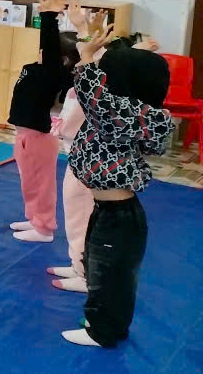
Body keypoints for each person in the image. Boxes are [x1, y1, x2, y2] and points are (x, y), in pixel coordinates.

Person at [60, 25, 172, 348]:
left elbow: (95, 96)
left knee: (110, 275)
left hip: (120, 215)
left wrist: (85, 59)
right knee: (100, 269)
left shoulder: (126, 114)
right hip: (107, 209)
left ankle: (103, 331)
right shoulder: (115, 112)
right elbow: (96, 97)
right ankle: (105, 322)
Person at [6, 0, 79, 243]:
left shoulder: (52, 73)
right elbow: (46, 47)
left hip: (38, 137)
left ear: (62, 60)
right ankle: (35, 219)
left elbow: (49, 46)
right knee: (29, 182)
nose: (41, 50)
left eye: (47, 51)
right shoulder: (35, 68)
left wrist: (49, 17)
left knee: (41, 185)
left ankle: (45, 229)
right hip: (24, 136)